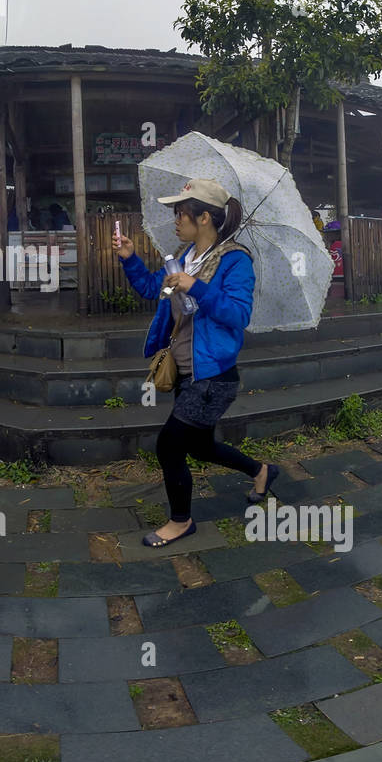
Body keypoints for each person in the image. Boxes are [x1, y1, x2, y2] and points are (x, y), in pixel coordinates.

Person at [118, 178, 279, 548]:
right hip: (185, 371)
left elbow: (238, 315)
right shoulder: (184, 255)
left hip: (213, 376)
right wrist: (129, 258)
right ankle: (262, 472)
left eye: (181, 214)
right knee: (201, 446)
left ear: (204, 217)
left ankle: (181, 521)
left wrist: (197, 287)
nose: (176, 221)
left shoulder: (235, 260)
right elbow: (150, 289)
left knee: (169, 445)